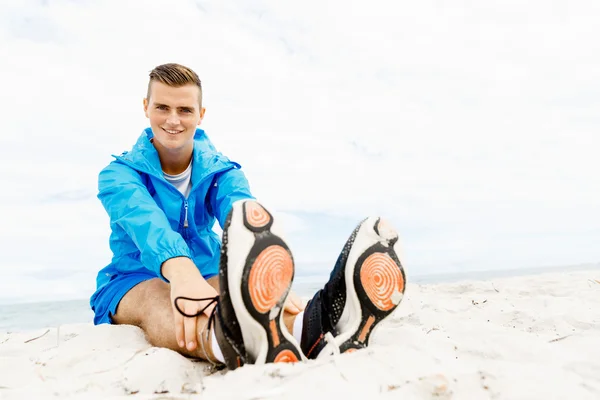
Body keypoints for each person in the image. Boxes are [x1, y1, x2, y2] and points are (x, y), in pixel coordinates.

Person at [90, 63, 406, 369]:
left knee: (242, 296)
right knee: (160, 296)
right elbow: (145, 222)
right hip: (133, 277)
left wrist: (272, 281)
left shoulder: (222, 171)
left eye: (185, 110)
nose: (173, 119)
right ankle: (224, 340)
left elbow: (240, 214)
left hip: (207, 269)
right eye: (162, 107)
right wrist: (180, 271)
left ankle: (313, 329)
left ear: (201, 114)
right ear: (146, 107)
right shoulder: (118, 175)